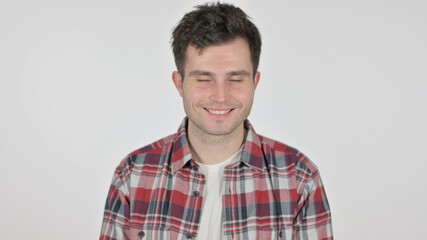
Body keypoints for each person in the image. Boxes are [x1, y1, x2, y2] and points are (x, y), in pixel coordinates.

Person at [100, 3, 333, 240]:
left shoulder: (300, 178)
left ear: (255, 82)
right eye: (203, 79)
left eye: (236, 79)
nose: (220, 97)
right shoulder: (132, 175)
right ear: (179, 83)